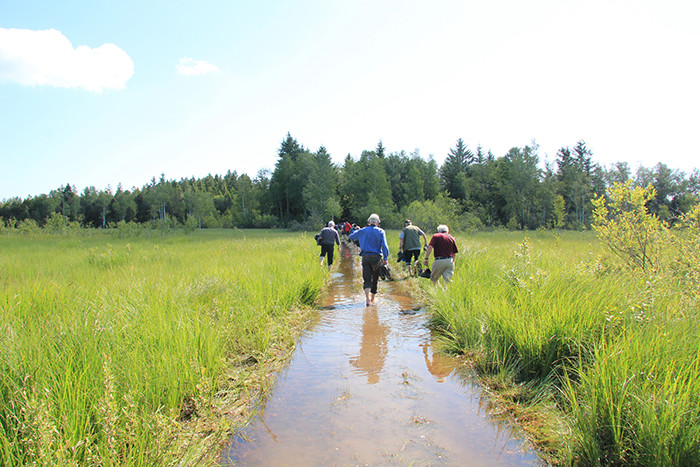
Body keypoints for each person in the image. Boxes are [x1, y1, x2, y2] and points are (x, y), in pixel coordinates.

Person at [349, 213, 389, 306]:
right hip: (376, 258)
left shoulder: (363, 230)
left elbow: (351, 236)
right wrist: (385, 258)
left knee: (366, 278)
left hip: (365, 258)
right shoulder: (381, 231)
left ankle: (367, 299)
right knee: (375, 278)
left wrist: (358, 231)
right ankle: (373, 298)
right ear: (378, 222)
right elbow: (385, 246)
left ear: (368, 222)